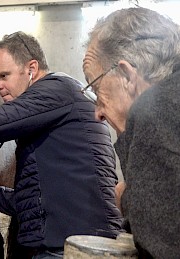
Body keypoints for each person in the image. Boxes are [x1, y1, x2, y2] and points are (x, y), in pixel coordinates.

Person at [0, 31, 123, 258]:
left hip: (68, 246)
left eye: (4, 76)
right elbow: (45, 198)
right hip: (75, 239)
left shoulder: (54, 92)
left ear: (31, 69)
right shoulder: (61, 103)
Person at [82, 7, 180, 258]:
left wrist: (134, 198)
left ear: (126, 75)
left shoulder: (157, 111)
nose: (98, 113)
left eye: (96, 88)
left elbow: (163, 245)